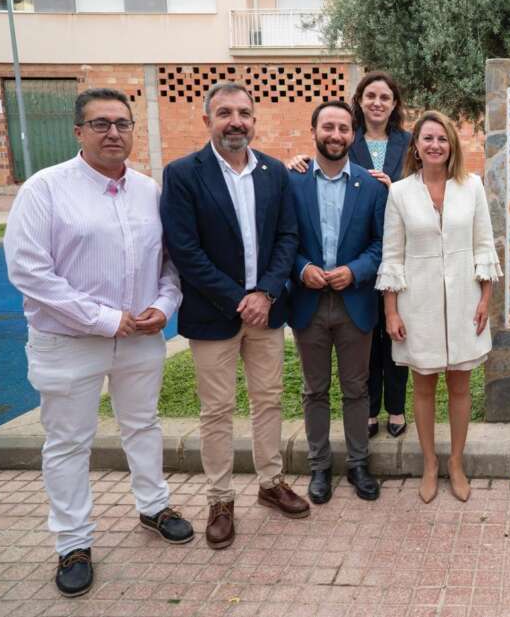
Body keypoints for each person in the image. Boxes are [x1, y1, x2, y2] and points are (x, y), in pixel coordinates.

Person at [5, 88, 193, 597]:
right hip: (70, 341)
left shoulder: (150, 192)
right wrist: (105, 319)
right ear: (79, 132)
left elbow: (170, 263)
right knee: (68, 442)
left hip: (140, 338)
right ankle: (73, 542)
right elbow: (29, 271)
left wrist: (165, 304)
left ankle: (153, 507)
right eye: (101, 123)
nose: (114, 132)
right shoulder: (45, 189)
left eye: (122, 123)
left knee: (143, 425)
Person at [160, 82, 304, 550]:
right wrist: (238, 298)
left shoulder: (274, 173)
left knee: (269, 401)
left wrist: (265, 293)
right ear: (207, 120)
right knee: (216, 410)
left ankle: (270, 483)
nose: (236, 121)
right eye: (225, 113)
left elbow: (287, 238)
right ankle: (220, 499)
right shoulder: (183, 174)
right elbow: (184, 249)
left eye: (244, 112)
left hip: (266, 313)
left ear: (254, 120)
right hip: (213, 315)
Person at [376, 111, 500, 504]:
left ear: (452, 146)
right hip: (419, 303)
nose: (435, 145)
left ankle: (456, 463)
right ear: (416, 145)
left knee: (460, 384)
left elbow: (485, 244)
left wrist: (485, 299)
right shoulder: (399, 193)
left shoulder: (472, 186)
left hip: (466, 300)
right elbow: (392, 255)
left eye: (442, 139)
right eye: (427, 138)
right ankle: (430, 463)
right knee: (424, 385)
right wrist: (391, 311)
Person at [288, 71, 412, 439]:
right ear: (359, 101)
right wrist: (297, 160)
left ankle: (397, 406)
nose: (377, 102)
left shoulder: (408, 142)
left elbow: (423, 181)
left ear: (394, 104)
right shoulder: (344, 137)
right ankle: (370, 409)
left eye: (385, 97)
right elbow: (324, 164)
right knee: (365, 338)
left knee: (397, 334)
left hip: (399, 250)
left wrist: (397, 189)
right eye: (370, 95)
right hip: (357, 254)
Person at [286, 100, 387, 504]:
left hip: (354, 302)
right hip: (308, 303)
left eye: (344, 128)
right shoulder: (291, 183)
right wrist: (301, 267)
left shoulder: (371, 186)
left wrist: (357, 270)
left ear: (353, 135)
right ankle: (319, 467)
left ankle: (359, 464)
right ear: (314, 130)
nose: (336, 135)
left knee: (356, 388)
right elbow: (282, 240)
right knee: (314, 390)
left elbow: (381, 245)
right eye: (328, 127)